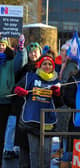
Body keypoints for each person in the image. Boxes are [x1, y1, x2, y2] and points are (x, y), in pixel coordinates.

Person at [13, 53, 63, 168]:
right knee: (34, 153)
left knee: (46, 154)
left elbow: (60, 103)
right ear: (39, 65)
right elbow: (15, 89)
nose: (47, 66)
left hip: (48, 121)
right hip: (32, 120)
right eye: (44, 64)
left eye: (50, 64)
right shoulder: (30, 77)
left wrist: (57, 94)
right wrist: (19, 91)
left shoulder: (56, 81)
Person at [0, 34, 27, 167]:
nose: (1, 47)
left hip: (5, 100)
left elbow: (20, 62)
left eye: (3, 44)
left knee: (2, 133)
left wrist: (21, 49)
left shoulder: (10, 60)